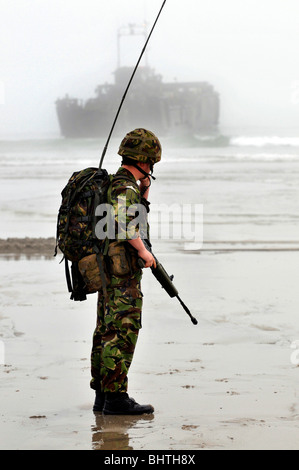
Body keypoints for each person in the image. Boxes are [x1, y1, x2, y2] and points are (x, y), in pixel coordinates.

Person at [90, 128, 162, 415]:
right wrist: (144, 252)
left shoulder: (117, 183)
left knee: (106, 331)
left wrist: (144, 185)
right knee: (122, 331)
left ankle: (103, 397)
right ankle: (116, 399)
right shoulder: (124, 188)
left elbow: (134, 208)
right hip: (122, 273)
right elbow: (122, 222)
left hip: (109, 270)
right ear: (146, 160)